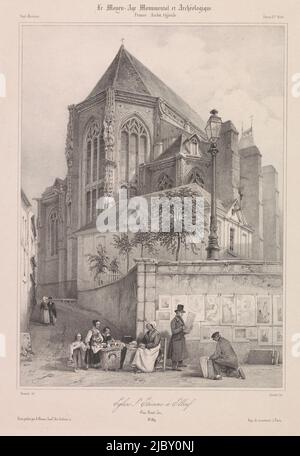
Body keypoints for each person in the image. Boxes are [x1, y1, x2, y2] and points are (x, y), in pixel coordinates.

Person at [168, 304, 188, 371]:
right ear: (177, 312)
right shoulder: (174, 321)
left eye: (182, 312)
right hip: (176, 339)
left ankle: (180, 363)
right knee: (176, 352)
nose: (182, 314)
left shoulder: (181, 319)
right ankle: (174, 366)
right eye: (181, 312)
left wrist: (186, 331)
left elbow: (182, 329)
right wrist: (181, 328)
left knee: (181, 351)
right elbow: (173, 331)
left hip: (181, 338)